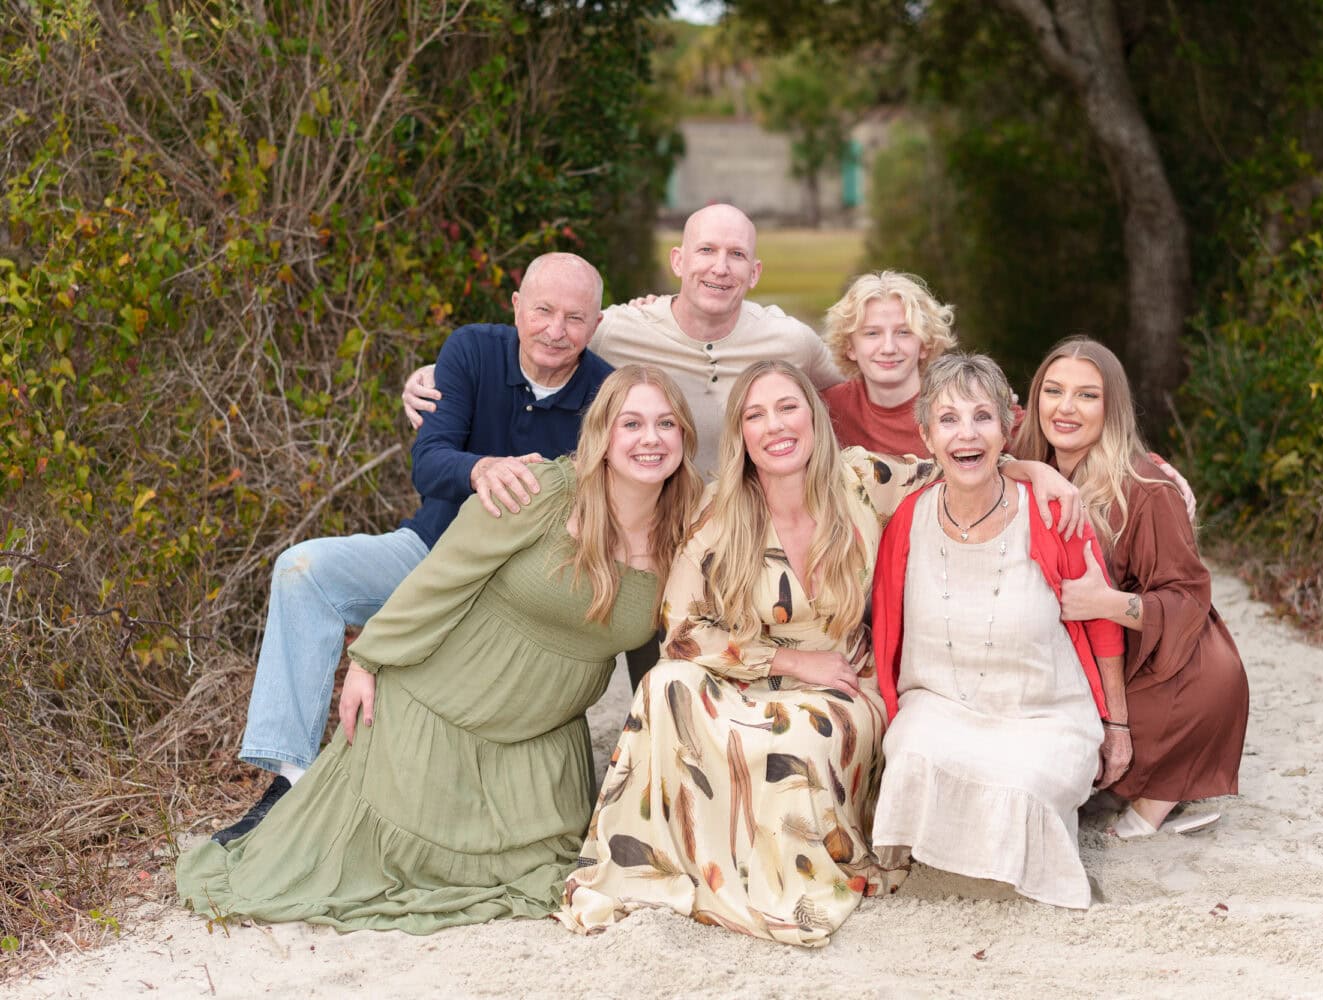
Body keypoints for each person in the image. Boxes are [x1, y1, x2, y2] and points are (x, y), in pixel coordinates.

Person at [555, 360, 1083, 947]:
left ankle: (787, 880)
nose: (775, 426)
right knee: (664, 684)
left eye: (788, 408)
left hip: (844, 683)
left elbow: (960, 459)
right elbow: (681, 628)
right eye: (756, 414)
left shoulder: (863, 480)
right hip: (752, 674)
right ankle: (686, 864)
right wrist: (784, 662)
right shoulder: (720, 509)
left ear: (813, 417)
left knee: (798, 739)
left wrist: (1036, 469)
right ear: (742, 434)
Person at [176, 366, 704, 933]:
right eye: (632, 423)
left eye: (665, 424)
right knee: (368, 866)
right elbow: (442, 578)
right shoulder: (542, 493)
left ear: (684, 437)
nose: (650, 439)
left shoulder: (690, 529)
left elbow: (669, 651)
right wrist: (369, 659)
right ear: (602, 432)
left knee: (540, 870)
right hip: (439, 710)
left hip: (541, 747)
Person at [218, 252, 612, 845]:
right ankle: (288, 780)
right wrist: (482, 469)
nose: (556, 330)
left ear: (596, 324)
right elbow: (429, 463)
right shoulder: (472, 350)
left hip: (515, 590)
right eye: (543, 311)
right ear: (516, 308)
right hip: (428, 548)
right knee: (303, 570)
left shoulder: (604, 393)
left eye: (575, 318)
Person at [869, 353, 1128, 909]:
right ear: (926, 435)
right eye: (948, 420)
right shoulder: (907, 520)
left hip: (1041, 712)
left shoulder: (1051, 512)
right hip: (941, 707)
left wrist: (1117, 724)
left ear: (1006, 429)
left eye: (982, 417)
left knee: (1022, 788)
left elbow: (1104, 624)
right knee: (911, 757)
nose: (967, 434)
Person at [403, 204, 845, 480]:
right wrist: (434, 376)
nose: (720, 268)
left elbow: (852, 390)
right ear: (678, 261)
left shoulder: (790, 341)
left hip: (750, 523)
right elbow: (537, 340)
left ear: (755, 272)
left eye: (737, 255)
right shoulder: (617, 330)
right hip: (657, 520)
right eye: (706, 251)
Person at [1012, 336, 1249, 837]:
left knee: (1108, 737)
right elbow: (972, 451)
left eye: (1087, 395)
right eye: (1053, 391)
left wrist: (1105, 601)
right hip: (1068, 653)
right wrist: (1027, 467)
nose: (1066, 408)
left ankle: (1158, 798)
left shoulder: (1144, 486)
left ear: (1112, 407)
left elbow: (1187, 594)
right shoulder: (1030, 462)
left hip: (1157, 660)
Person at [818, 271, 957, 455]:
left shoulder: (960, 403)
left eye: (903, 332)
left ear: (925, 344)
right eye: (872, 333)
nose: (889, 348)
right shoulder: (827, 410)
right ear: (849, 347)